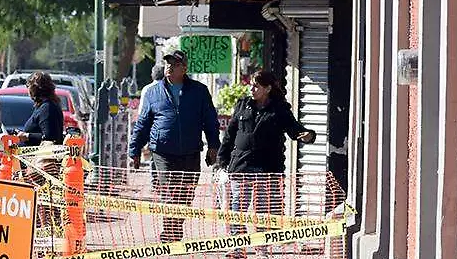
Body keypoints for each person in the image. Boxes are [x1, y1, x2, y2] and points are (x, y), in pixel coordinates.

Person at [128, 50, 221, 242]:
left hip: (190, 151)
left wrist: (213, 146)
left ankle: (176, 226)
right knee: (170, 191)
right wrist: (135, 149)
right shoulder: (154, 92)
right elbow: (143, 123)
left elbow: (210, 120)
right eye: (168, 63)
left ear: (184, 69)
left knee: (186, 194)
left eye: (175, 64)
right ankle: (170, 231)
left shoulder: (199, 91)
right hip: (163, 152)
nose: (169, 67)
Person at [216, 71, 316, 247]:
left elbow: (295, 130)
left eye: (256, 86)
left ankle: (262, 248)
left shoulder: (279, 109)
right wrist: (221, 160)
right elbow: (230, 135)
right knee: (237, 207)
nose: (252, 89)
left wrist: (308, 136)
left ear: (268, 88)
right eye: (251, 85)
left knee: (264, 210)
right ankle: (237, 245)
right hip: (241, 165)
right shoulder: (242, 105)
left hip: (267, 168)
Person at [20, 71, 65, 146]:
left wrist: (27, 136)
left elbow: (50, 138)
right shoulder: (45, 105)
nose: (27, 90)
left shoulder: (47, 108)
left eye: (28, 86)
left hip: (41, 156)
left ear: (34, 88)